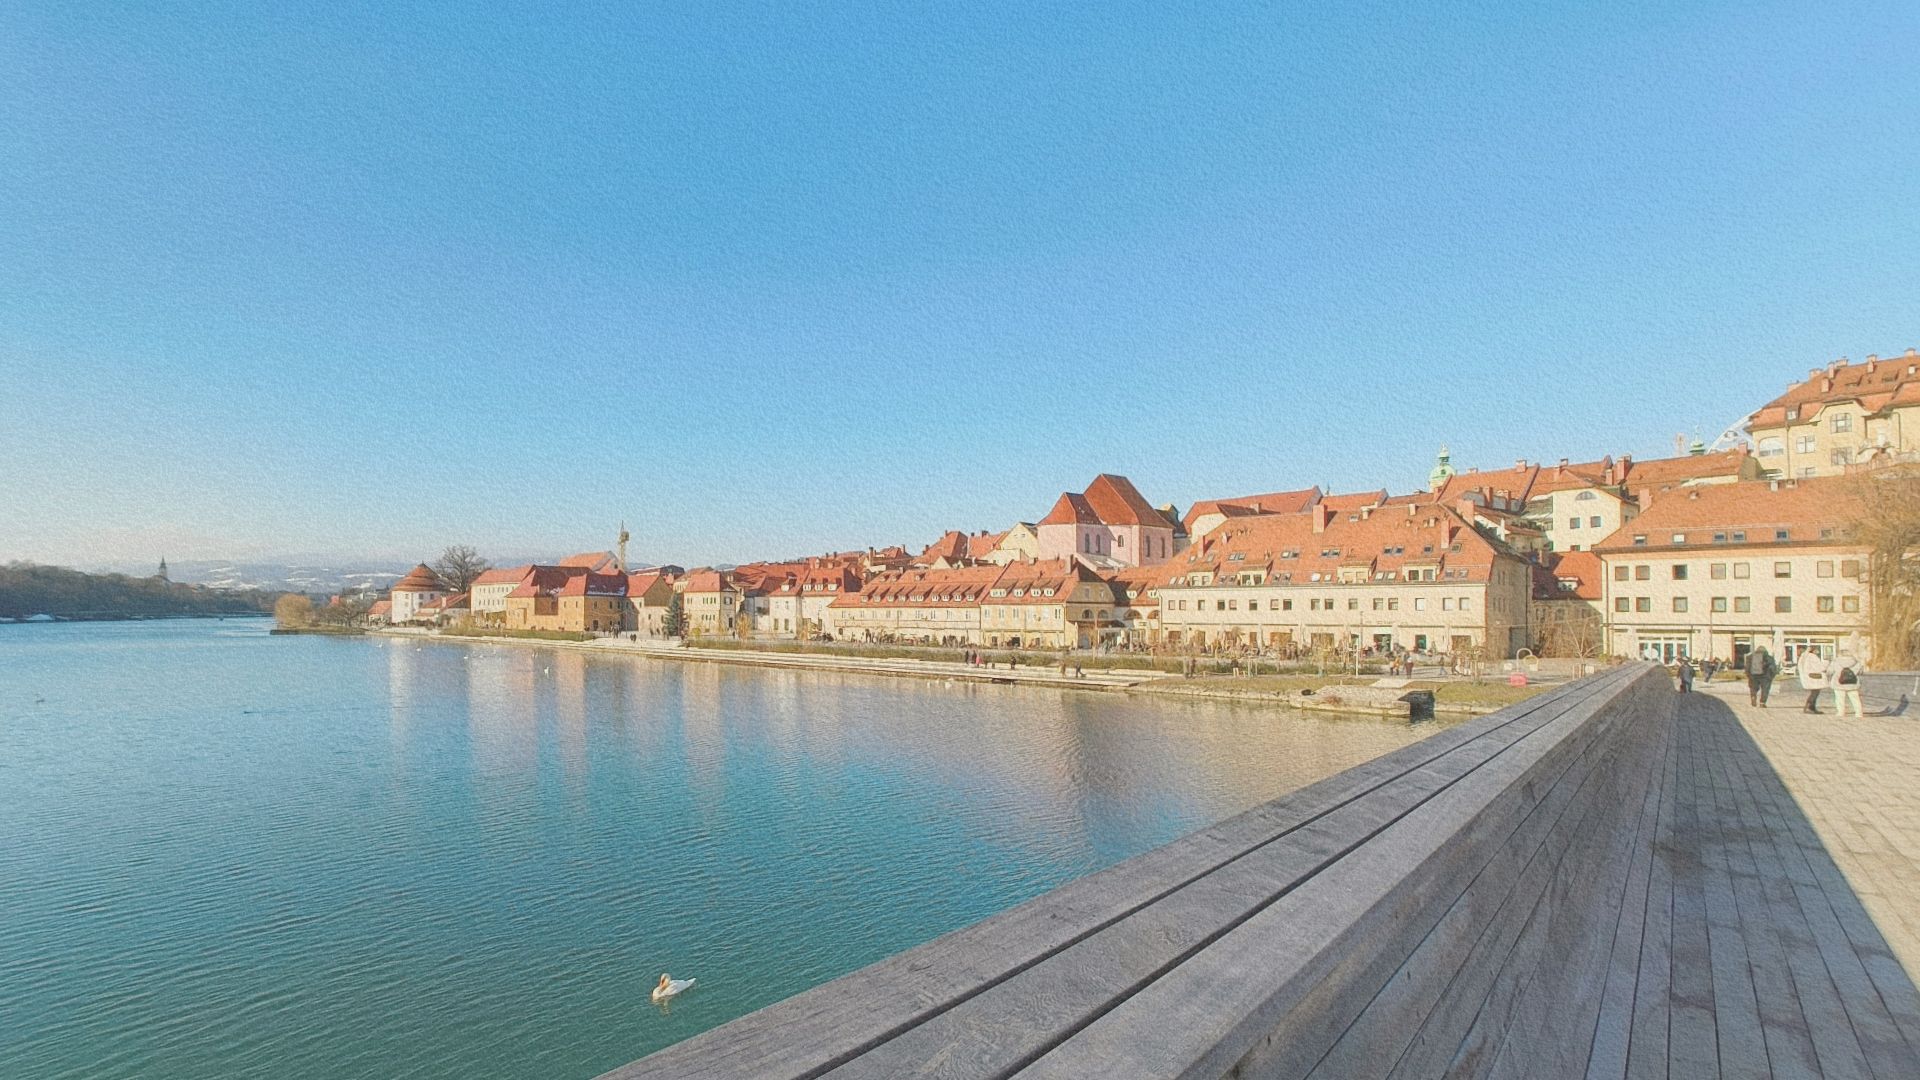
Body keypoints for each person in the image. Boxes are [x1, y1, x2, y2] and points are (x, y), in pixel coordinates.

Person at [1832, 652, 1865, 719]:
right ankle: (1859, 713)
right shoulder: (1856, 662)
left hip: (1839, 683)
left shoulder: (1836, 662)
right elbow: (1860, 672)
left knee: (1839, 699)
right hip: (1852, 683)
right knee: (1855, 699)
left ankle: (1841, 712)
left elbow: (1830, 671)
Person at [1798, 650, 1829, 714]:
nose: (1817, 651)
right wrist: (1826, 662)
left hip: (1808, 677)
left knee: (1813, 693)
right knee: (1815, 693)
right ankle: (1810, 707)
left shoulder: (1804, 656)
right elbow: (1820, 667)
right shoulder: (1812, 657)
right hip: (1814, 678)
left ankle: (1809, 707)